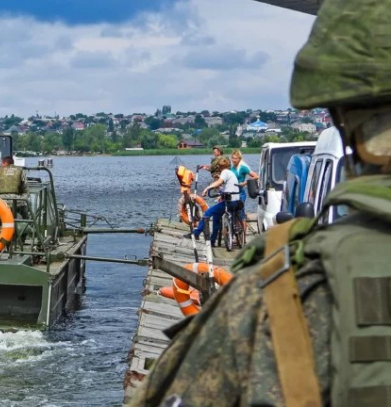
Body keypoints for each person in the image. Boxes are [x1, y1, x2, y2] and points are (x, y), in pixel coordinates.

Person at [128, 0, 391, 406]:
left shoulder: (280, 300)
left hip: (232, 211)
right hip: (231, 203)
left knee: (211, 221)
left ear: (343, 116)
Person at [184, 157, 240, 246]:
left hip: (229, 202)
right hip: (236, 201)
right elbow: (228, 186)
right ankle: (213, 240)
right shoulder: (230, 173)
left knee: (207, 213)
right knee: (216, 217)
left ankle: (196, 233)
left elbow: (219, 182)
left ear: (218, 166)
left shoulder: (225, 172)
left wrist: (207, 188)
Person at [231, 149, 259, 238]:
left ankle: (243, 236)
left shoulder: (242, 167)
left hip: (240, 192)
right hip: (232, 192)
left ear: (239, 159)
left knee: (241, 213)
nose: (233, 160)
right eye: (232, 158)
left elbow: (256, 176)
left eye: (235, 158)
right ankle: (236, 235)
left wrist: (245, 183)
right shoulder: (232, 168)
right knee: (233, 213)